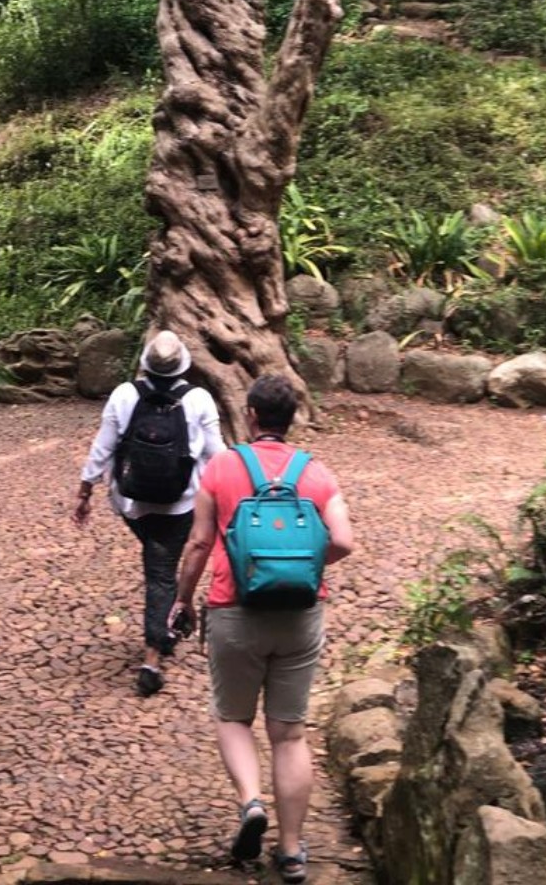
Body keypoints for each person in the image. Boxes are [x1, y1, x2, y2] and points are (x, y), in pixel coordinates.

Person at [168, 374, 354, 883]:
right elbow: (343, 540)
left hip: (235, 610)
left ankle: (251, 803)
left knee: (232, 717)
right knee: (289, 733)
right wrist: (307, 568)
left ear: (250, 415)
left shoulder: (222, 468)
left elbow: (200, 545)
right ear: (292, 417)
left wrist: (182, 600)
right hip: (300, 615)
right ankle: (292, 851)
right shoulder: (316, 473)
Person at [72, 330, 224, 697]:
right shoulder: (198, 399)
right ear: (182, 365)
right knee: (161, 570)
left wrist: (85, 490)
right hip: (179, 503)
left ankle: (167, 621)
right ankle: (153, 658)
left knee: (160, 562)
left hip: (133, 503)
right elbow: (215, 454)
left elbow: (104, 445)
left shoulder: (125, 395)